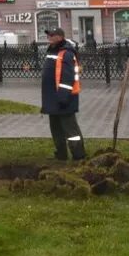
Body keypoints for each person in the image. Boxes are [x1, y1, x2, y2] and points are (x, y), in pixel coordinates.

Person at [41, 27, 85, 161]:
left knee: (70, 129)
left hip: (63, 98)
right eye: (48, 35)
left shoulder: (66, 53)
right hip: (52, 98)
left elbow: (68, 76)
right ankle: (61, 153)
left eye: (52, 35)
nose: (49, 38)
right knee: (56, 128)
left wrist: (63, 96)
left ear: (60, 37)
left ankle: (78, 154)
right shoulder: (53, 50)